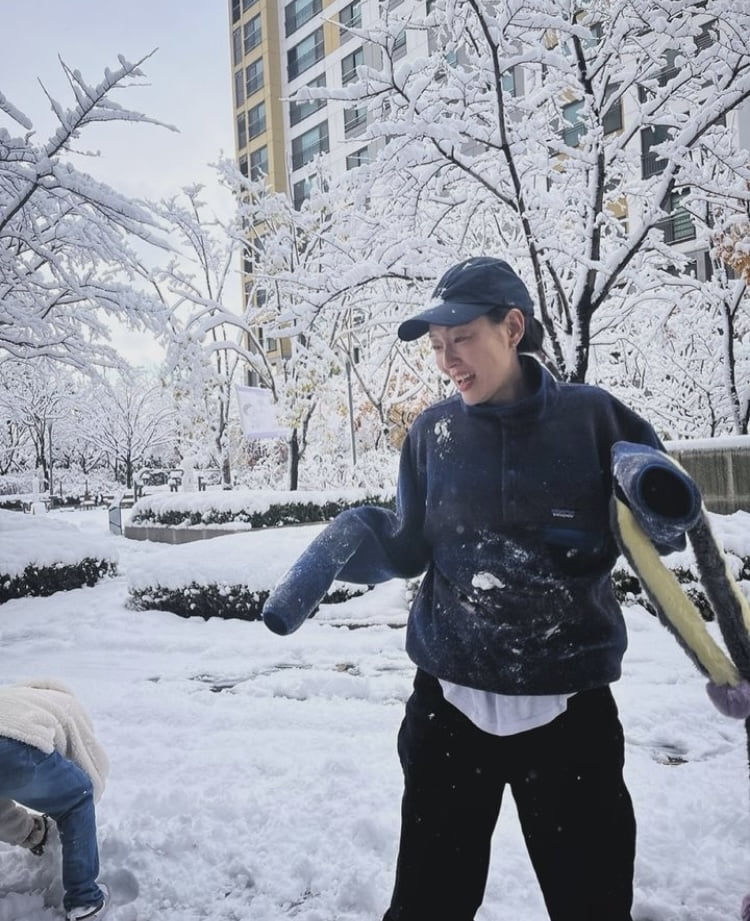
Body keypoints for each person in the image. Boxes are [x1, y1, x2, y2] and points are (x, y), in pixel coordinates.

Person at [261, 256, 750, 921]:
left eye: (460, 337)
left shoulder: (593, 419)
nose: (447, 359)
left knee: (593, 906)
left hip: (569, 720)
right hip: (449, 714)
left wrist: (655, 494)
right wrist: (356, 537)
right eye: (437, 346)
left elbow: (661, 531)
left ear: (512, 326)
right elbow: (407, 546)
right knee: (427, 907)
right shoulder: (433, 435)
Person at [0, 679, 110, 921]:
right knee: (77, 800)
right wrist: (84, 802)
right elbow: (89, 757)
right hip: (11, 748)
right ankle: (85, 900)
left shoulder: (10, 696)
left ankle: (33, 833)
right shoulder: (66, 702)